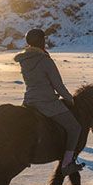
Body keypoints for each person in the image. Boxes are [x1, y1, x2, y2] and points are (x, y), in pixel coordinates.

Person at [14, 29, 85, 176]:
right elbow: (58, 86)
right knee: (75, 127)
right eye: (44, 40)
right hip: (47, 103)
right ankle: (66, 164)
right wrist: (70, 100)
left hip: (29, 101)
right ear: (41, 42)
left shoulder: (24, 60)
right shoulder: (45, 61)